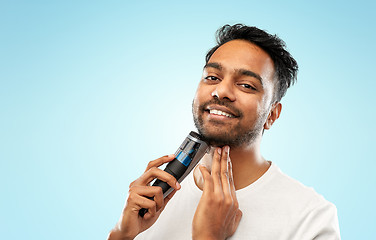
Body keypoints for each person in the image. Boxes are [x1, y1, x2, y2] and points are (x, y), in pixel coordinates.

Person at [108, 24, 340, 240]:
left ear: (272, 114)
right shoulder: (153, 197)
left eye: (246, 85)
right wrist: (122, 234)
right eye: (212, 77)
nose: (221, 91)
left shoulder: (311, 217)